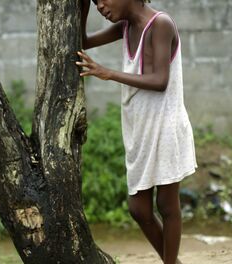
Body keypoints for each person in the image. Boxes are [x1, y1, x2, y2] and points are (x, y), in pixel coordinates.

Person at [76, 0, 198, 263]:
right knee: (139, 209)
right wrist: (82, 5)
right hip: (139, 128)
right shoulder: (124, 27)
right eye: (95, 2)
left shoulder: (160, 24)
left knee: (166, 205)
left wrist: (108, 73)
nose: (101, 7)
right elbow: (83, 41)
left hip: (165, 126)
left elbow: (160, 80)